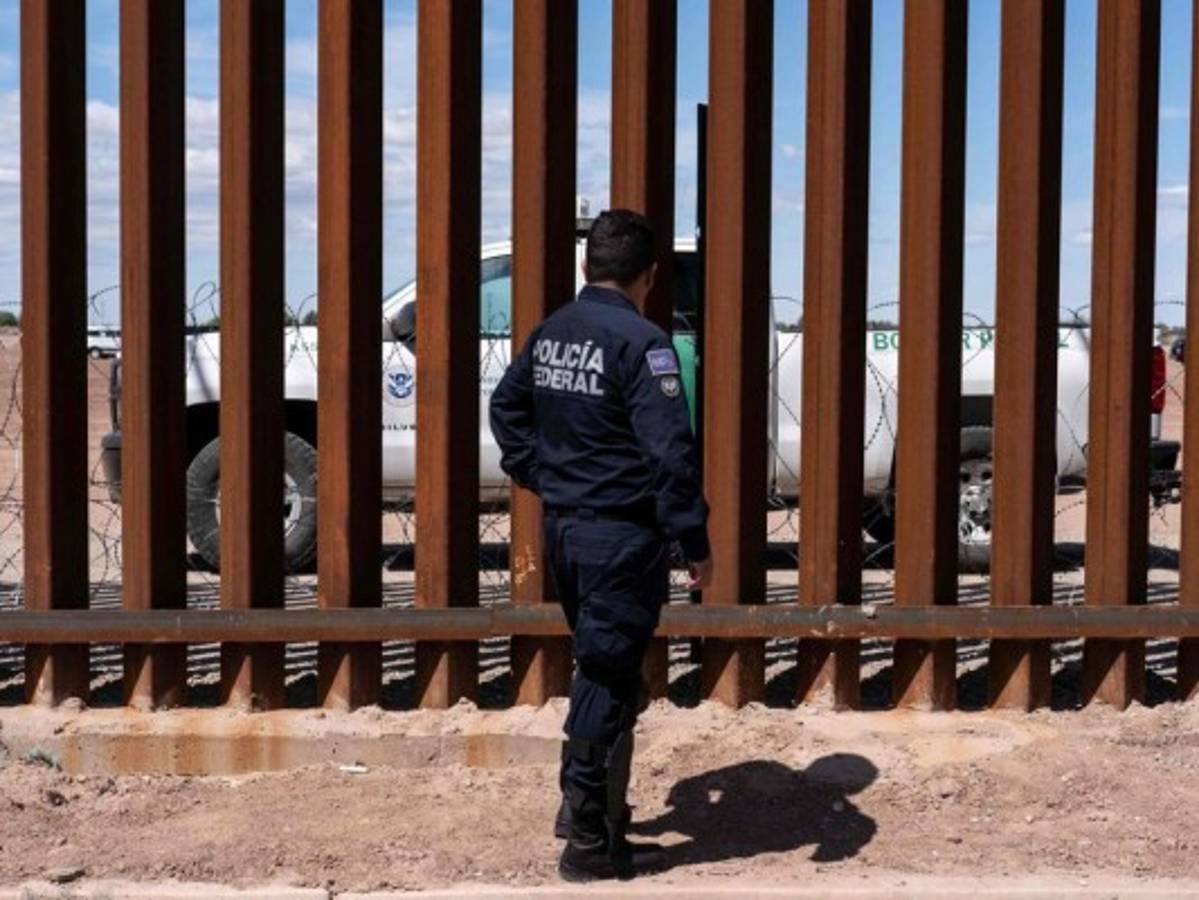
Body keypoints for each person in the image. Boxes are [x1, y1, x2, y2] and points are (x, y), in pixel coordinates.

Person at [490, 209, 713, 882]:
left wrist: (543, 475)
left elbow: (506, 410)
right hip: (619, 536)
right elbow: (671, 453)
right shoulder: (641, 344)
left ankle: (579, 809)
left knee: (599, 668)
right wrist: (693, 541)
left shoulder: (553, 331)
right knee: (610, 679)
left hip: (564, 531)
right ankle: (588, 842)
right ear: (649, 274)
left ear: (588, 266)